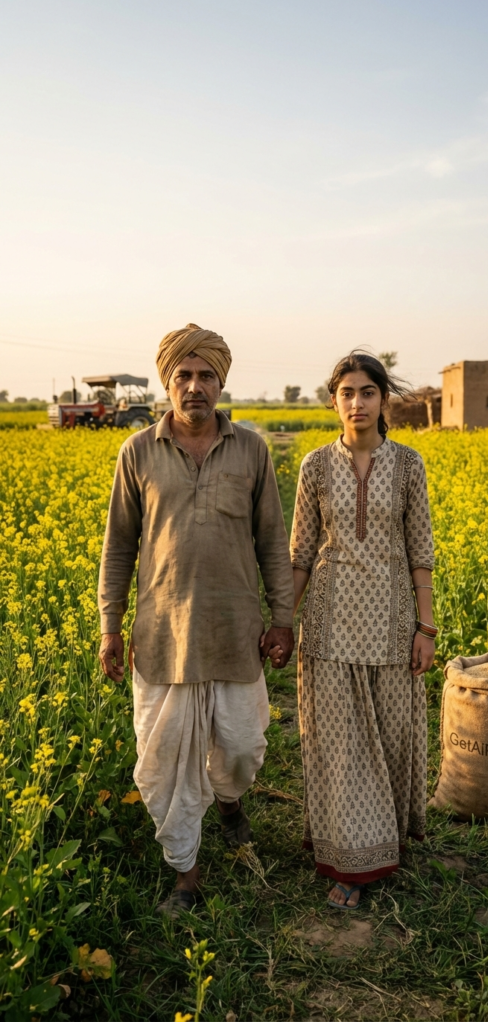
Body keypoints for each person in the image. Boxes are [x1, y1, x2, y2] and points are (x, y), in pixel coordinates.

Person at [98, 323, 294, 917]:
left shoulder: (253, 450)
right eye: (183, 375)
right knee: (162, 766)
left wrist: (283, 618)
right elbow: (118, 547)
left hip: (235, 633)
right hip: (162, 636)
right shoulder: (136, 452)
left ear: (221, 381)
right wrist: (111, 624)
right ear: (167, 382)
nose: (194, 386)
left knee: (240, 747)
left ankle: (230, 802)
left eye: (206, 375)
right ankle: (186, 872)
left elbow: (271, 542)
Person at [290, 351, 436, 910]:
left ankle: (388, 840)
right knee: (341, 744)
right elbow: (301, 553)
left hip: (393, 621)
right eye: (346, 392)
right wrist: (284, 620)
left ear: (383, 400)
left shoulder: (409, 465)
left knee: (394, 735)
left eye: (367, 392)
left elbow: (420, 550)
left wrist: (425, 626)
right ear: (334, 402)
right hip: (329, 624)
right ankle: (350, 861)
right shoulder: (313, 467)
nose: (357, 402)